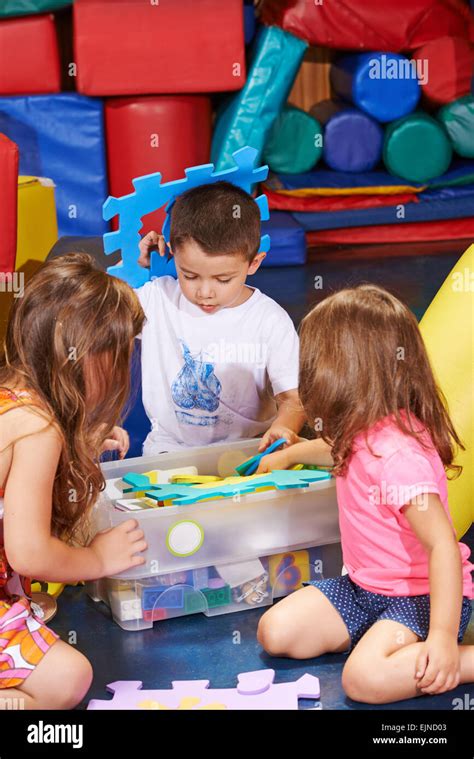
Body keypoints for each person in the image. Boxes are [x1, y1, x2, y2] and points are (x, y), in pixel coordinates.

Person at [256, 284, 474, 704]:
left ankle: (461, 659)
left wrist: (443, 639)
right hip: (363, 588)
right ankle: (383, 643)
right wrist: (289, 455)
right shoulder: (364, 425)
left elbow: (444, 546)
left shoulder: (400, 457)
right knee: (276, 632)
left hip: (421, 598)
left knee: (365, 682)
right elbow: (337, 450)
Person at [0, 254, 148, 709]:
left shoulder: (16, 396)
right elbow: (29, 552)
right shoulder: (38, 428)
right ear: (87, 359)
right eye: (121, 354)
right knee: (70, 677)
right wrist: (95, 558)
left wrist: (77, 445)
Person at [134, 180, 306, 455]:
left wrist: (283, 429)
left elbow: (293, 399)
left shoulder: (270, 321)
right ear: (173, 254)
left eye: (223, 279)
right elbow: (97, 313)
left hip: (249, 454)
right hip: (168, 453)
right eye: (189, 275)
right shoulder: (156, 299)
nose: (205, 292)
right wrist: (138, 267)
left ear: (254, 263)